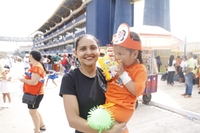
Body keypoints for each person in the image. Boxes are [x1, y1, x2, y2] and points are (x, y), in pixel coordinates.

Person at [59, 34, 126, 133]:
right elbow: (73, 120)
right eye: (83, 49)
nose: (89, 52)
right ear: (76, 53)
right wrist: (106, 132)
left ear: (99, 51)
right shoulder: (70, 79)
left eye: (93, 48)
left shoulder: (105, 74)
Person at [104, 23, 147, 132]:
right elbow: (112, 83)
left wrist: (123, 74)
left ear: (134, 54)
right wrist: (108, 76)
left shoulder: (139, 69)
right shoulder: (118, 66)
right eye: (115, 53)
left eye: (120, 54)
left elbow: (137, 91)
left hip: (122, 108)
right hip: (109, 104)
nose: (116, 57)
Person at [19, 50, 47, 133]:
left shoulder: (37, 67)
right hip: (33, 93)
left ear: (31, 56)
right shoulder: (35, 66)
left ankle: (37, 130)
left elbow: (34, 82)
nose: (28, 58)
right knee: (35, 111)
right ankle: (42, 126)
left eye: (29, 56)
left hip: (35, 94)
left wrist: (23, 79)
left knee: (32, 112)